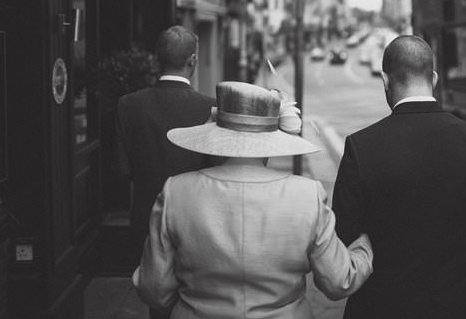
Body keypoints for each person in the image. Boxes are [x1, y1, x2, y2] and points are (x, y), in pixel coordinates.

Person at [133, 81, 373, 319]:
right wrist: (365, 246)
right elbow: (337, 281)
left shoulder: (177, 191)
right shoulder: (307, 195)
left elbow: (154, 289)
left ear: (217, 134)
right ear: (274, 138)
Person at [333, 34, 466, 319]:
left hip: (378, 309)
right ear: (434, 78)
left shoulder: (361, 147)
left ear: (385, 81)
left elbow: (343, 235)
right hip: (451, 306)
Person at [113, 25, 215, 266]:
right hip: (198, 219)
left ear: (158, 59)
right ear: (192, 60)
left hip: (147, 219)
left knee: (156, 293)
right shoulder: (210, 108)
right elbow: (219, 169)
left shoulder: (128, 105)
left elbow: (120, 170)